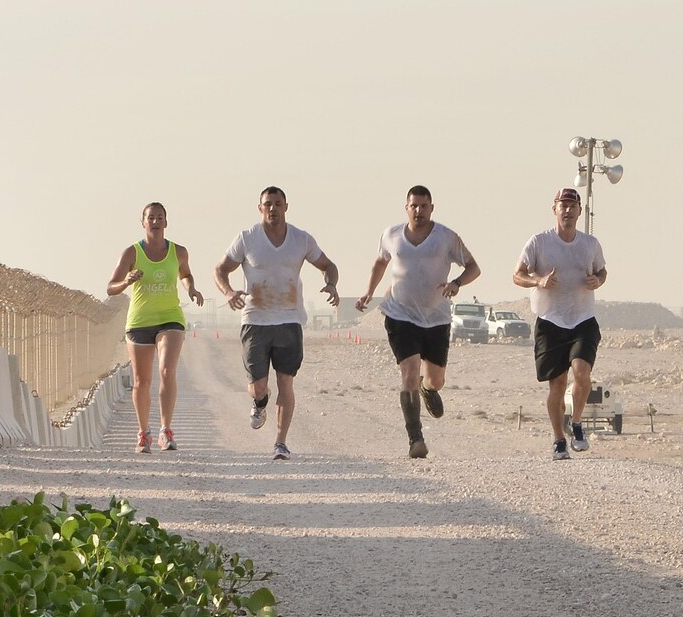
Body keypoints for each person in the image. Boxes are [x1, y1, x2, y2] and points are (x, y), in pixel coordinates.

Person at [353, 185, 481, 458]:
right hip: (400, 315)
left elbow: (473, 267)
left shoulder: (447, 238)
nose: (419, 211)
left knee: (436, 380)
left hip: (436, 318)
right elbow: (380, 262)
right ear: (406, 207)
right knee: (409, 373)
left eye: (424, 206)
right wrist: (369, 292)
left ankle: (428, 388)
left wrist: (457, 283)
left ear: (431, 208)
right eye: (414, 206)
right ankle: (415, 438)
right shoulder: (391, 235)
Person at [214, 186, 338, 460]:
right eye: (267, 204)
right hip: (255, 321)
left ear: (286, 207)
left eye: (277, 203)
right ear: (260, 208)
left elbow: (328, 265)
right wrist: (229, 292)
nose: (273, 208)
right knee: (258, 386)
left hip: (289, 320)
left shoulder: (301, 239)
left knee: (286, 382)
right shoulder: (247, 238)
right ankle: (260, 402)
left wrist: (330, 284)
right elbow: (220, 269)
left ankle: (280, 442)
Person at [512, 186, 607, 460]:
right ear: (554, 209)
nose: (567, 210)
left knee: (581, 374)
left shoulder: (590, 244)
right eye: (562, 205)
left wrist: (597, 280)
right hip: (550, 320)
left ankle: (576, 424)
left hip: (582, 319)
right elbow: (517, 275)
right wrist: (538, 280)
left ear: (579, 211)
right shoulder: (539, 242)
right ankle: (558, 440)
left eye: (572, 206)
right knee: (557, 383)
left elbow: (602, 269)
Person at [106, 201, 204, 452]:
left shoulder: (178, 251)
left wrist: (191, 288)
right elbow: (111, 287)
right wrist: (126, 281)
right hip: (139, 321)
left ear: (166, 222)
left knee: (167, 371)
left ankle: (165, 430)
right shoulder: (132, 253)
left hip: (170, 317)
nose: (156, 222)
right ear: (143, 223)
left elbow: (185, 274)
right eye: (151, 218)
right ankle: (143, 433)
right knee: (141, 380)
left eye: (160, 217)